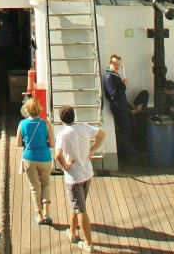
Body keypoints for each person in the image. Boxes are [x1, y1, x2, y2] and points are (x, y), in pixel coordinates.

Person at [55, 104, 105, 252]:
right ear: (73, 116)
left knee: (80, 209)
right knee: (76, 205)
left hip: (74, 178)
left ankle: (88, 244)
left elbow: (57, 154)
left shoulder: (63, 134)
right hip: (87, 174)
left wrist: (66, 166)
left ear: (60, 119)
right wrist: (92, 150)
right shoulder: (84, 127)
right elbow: (102, 134)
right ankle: (72, 233)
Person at [17, 97, 56, 225]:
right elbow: (51, 143)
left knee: (35, 187)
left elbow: (18, 143)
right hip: (45, 158)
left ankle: (39, 215)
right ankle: (46, 212)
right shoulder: (46, 124)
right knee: (46, 184)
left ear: (27, 110)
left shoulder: (22, 124)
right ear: (39, 109)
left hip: (29, 158)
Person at [103, 54, 145, 160]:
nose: (117, 66)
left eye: (118, 64)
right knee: (126, 132)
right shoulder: (109, 77)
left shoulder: (115, 75)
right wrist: (123, 85)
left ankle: (132, 153)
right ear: (110, 63)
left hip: (122, 106)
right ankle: (130, 157)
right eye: (115, 64)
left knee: (132, 128)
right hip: (119, 109)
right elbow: (114, 94)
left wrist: (127, 104)